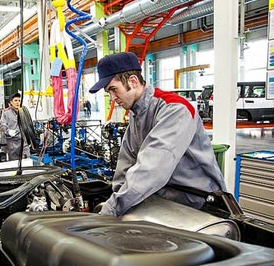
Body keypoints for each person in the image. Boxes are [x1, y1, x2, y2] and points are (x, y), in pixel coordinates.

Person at [88, 51, 226, 217]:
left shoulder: (175, 109)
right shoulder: (137, 114)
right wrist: (115, 200)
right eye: (108, 92)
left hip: (202, 206)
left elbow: (151, 169)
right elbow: (126, 163)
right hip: (168, 205)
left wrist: (111, 211)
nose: (112, 98)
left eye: (113, 89)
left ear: (133, 81)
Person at [0, 92, 31, 160]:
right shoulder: (6, 113)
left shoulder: (23, 112)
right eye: (15, 100)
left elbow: (28, 125)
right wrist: (8, 131)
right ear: (11, 102)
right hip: (12, 143)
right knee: (14, 163)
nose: (17, 102)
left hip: (23, 142)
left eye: (19, 100)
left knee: (27, 161)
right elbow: (2, 124)